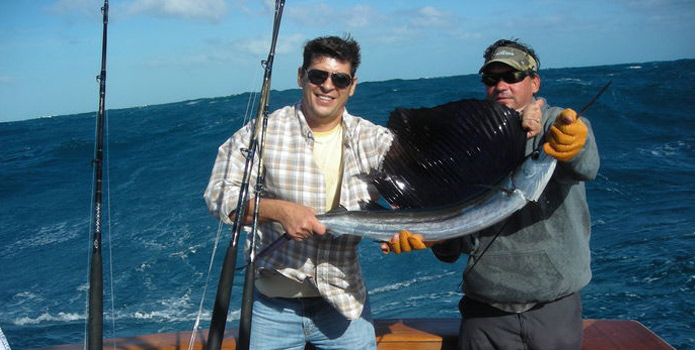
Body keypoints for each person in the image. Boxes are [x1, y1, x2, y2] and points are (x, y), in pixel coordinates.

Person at [384, 39, 600, 350]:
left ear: (534, 82)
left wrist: (576, 145)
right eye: (491, 79)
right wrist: (435, 239)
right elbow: (457, 242)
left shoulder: (556, 124)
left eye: (512, 77)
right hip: (484, 314)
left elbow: (586, 163)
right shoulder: (473, 145)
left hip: (553, 310)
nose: (501, 86)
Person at [204, 35, 392, 349]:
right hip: (271, 308)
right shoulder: (261, 132)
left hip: (343, 307)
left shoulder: (375, 140)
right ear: (301, 76)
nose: (327, 86)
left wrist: (408, 233)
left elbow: (414, 201)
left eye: (340, 79)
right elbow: (218, 194)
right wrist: (278, 210)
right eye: (318, 75)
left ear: (353, 85)